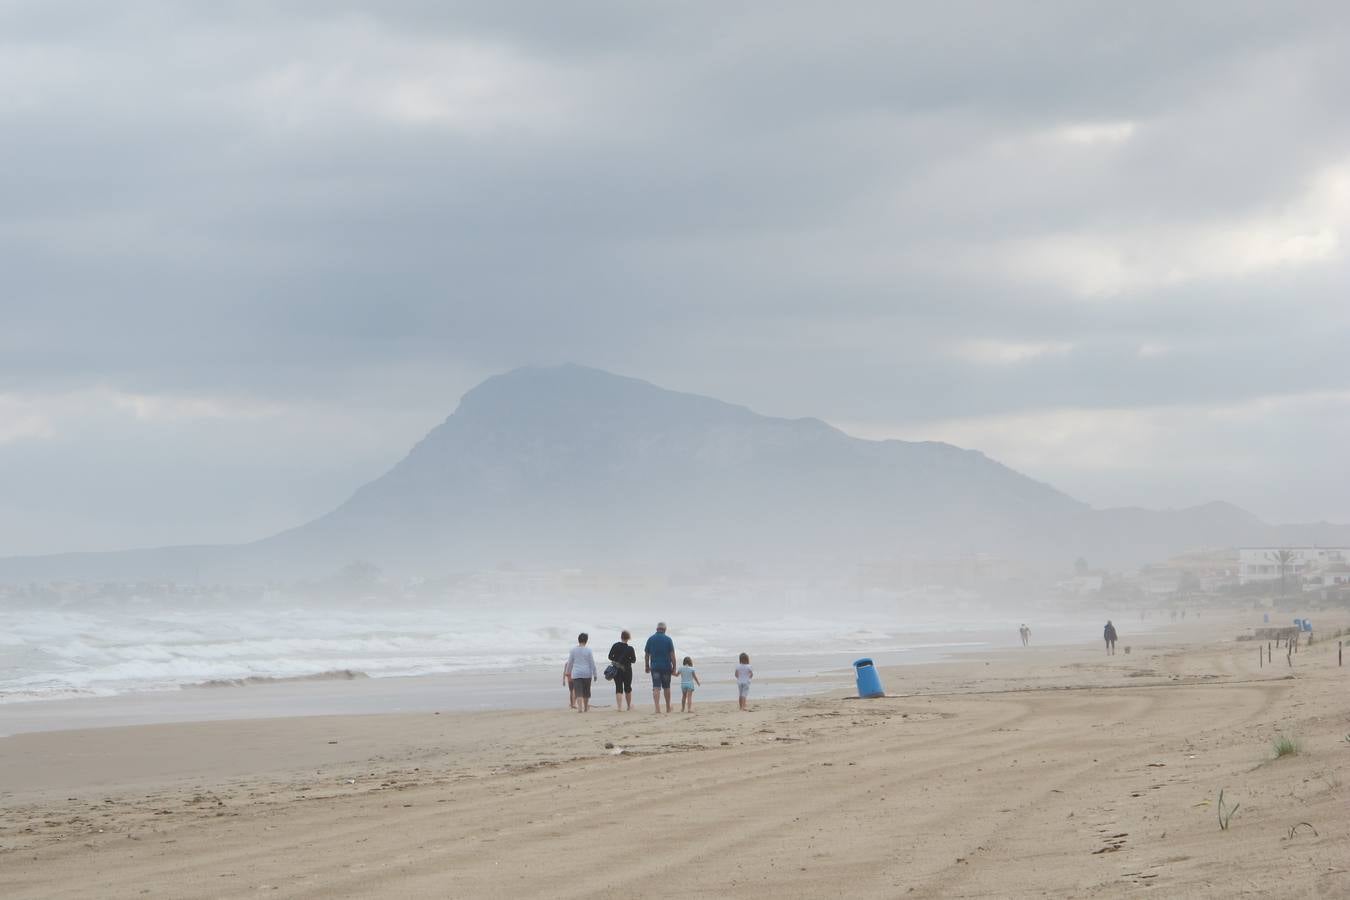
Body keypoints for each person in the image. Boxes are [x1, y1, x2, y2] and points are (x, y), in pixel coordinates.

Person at [644, 622, 677, 714]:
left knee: (656, 687)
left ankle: (657, 708)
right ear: (665, 629)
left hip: (655, 667)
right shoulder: (668, 640)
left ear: (656, 629)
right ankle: (667, 707)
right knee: (666, 687)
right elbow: (672, 655)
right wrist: (674, 667)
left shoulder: (650, 639)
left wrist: (647, 666)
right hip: (666, 667)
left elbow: (646, 654)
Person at [564, 632, 597, 713]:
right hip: (587, 674)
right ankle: (585, 708)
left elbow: (570, 662)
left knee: (578, 692)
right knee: (586, 692)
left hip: (576, 674)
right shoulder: (588, 650)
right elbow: (592, 663)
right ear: (586, 640)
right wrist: (595, 674)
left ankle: (579, 709)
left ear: (578, 640)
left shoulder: (573, 650)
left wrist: (567, 672)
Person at [608, 630, 637, 712]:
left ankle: (619, 707)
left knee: (618, 687)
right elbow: (634, 660)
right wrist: (628, 660)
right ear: (628, 638)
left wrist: (616, 660)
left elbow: (610, 656)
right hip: (627, 670)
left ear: (621, 637)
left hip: (617, 669)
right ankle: (628, 706)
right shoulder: (630, 648)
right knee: (628, 687)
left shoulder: (615, 645)